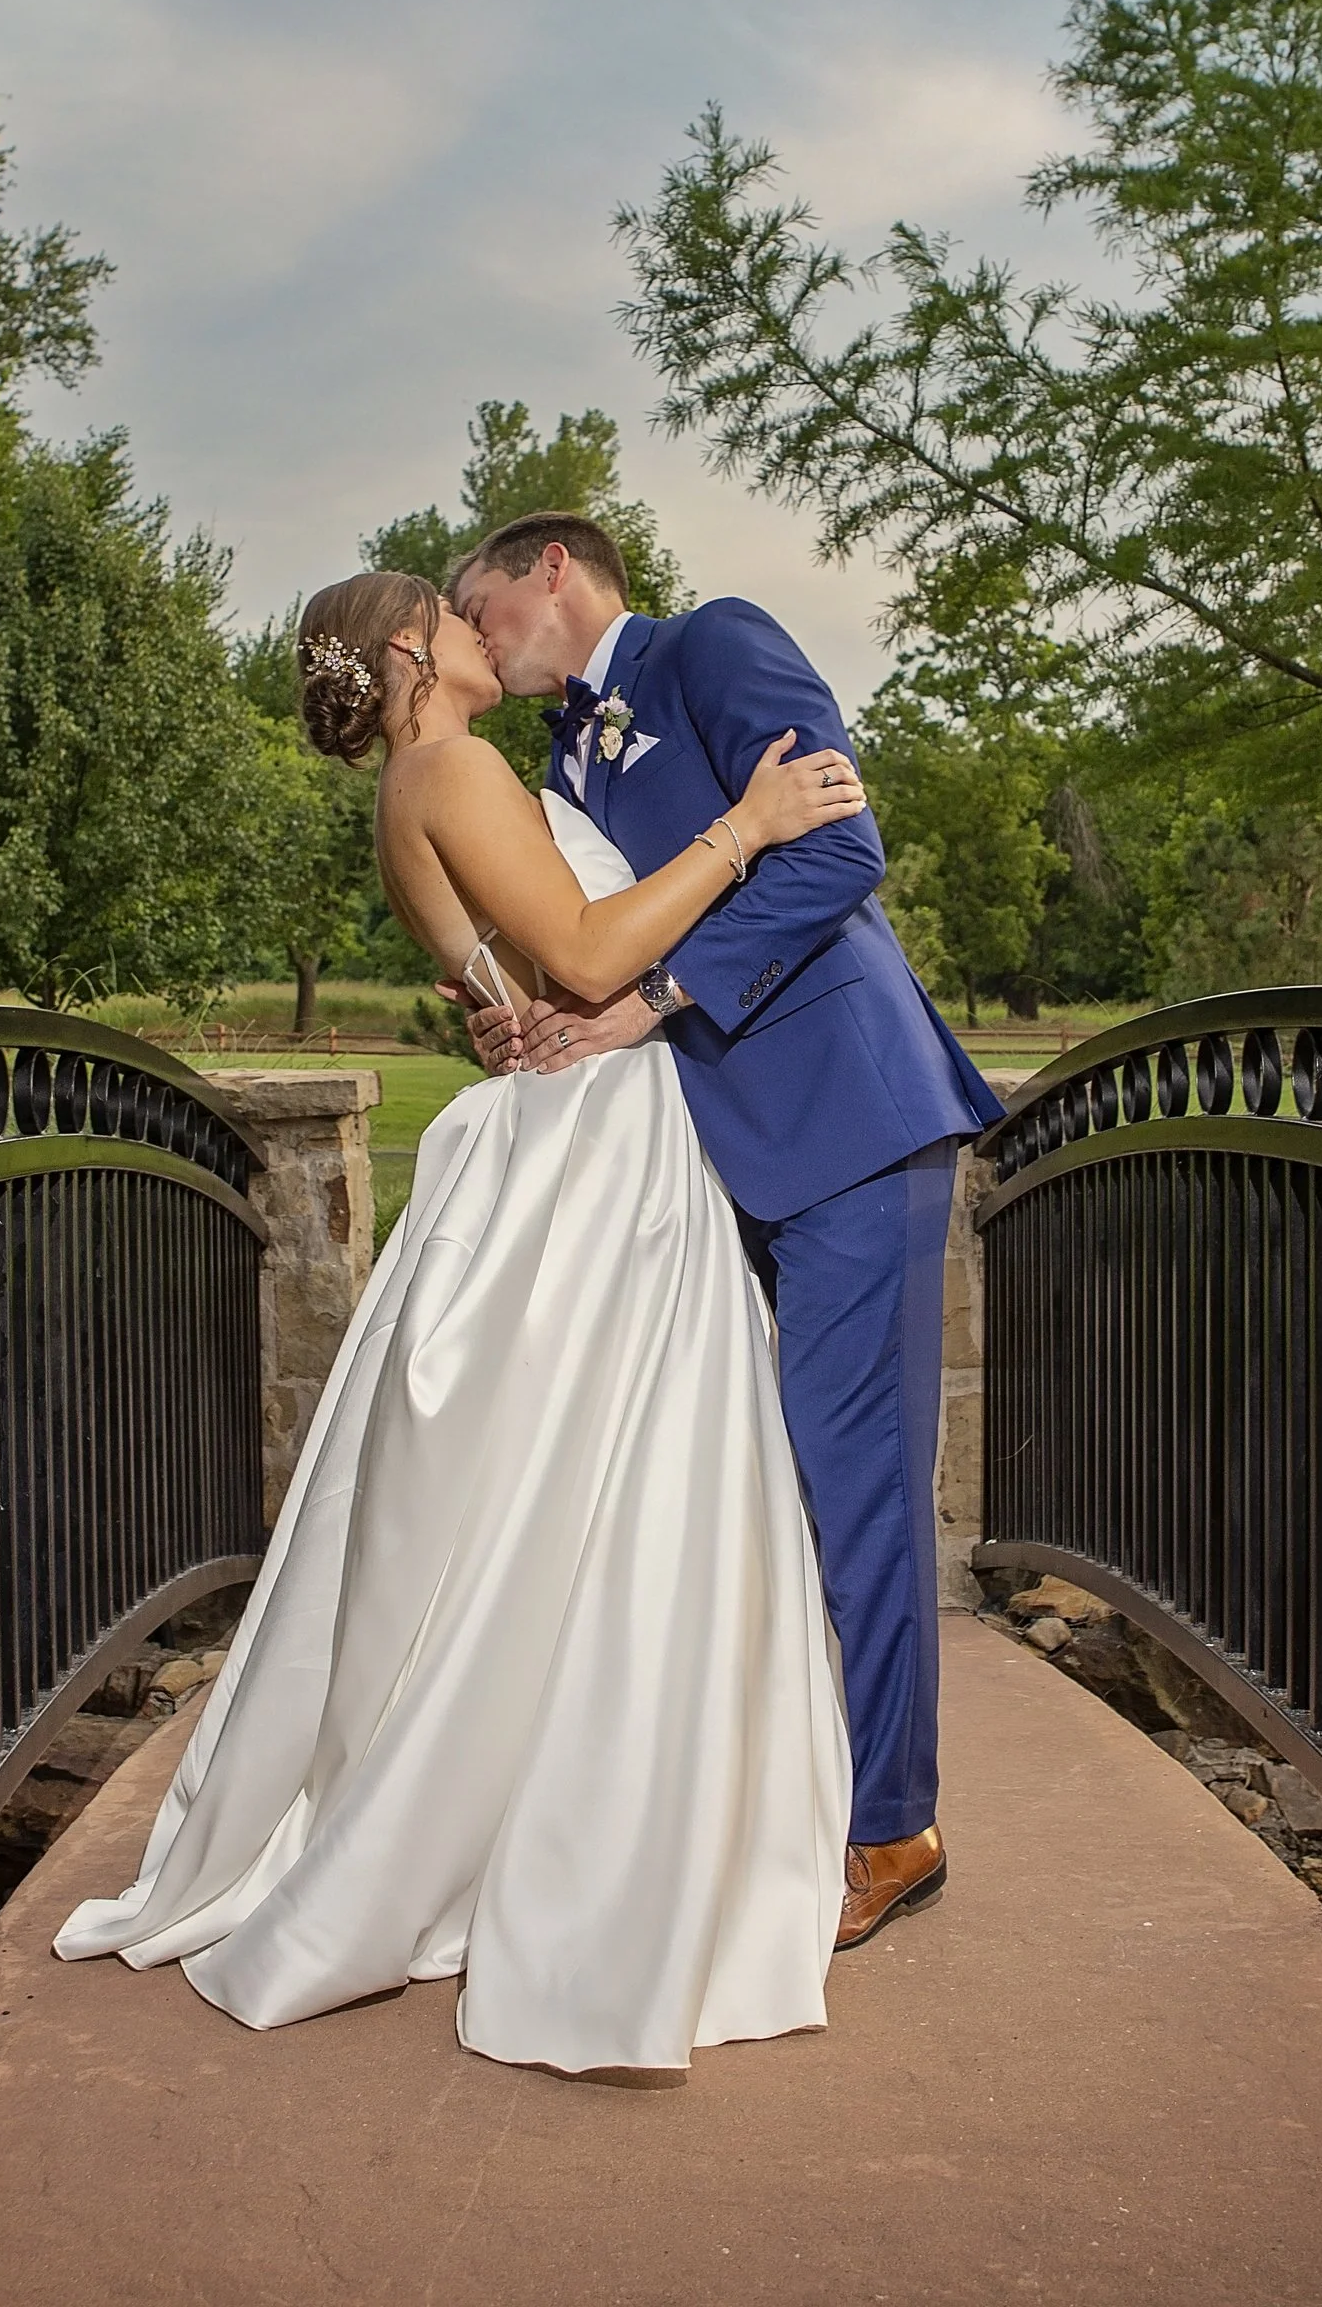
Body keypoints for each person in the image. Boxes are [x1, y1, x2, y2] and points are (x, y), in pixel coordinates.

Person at [53, 566, 869, 2074]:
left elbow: (506, 984)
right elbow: (594, 957)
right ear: (410, 647)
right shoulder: (457, 766)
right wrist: (747, 830)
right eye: (457, 611)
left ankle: (500, 1804)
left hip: (550, 1127)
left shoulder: (409, 789)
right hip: (596, 1150)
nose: (487, 630)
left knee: (539, 1504)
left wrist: (524, 995)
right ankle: (581, 1838)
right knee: (620, 1495)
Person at [448, 515, 1005, 1949]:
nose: (474, 625)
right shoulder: (562, 761)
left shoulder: (716, 643)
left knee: (855, 1479)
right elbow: (601, 933)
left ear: (553, 568)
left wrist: (647, 1001)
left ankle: (896, 1829)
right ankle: (790, 1786)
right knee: (753, 1485)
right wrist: (539, 1009)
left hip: (846, 1121)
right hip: (709, 1161)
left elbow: (841, 853)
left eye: (480, 596)